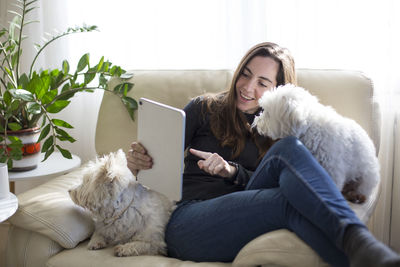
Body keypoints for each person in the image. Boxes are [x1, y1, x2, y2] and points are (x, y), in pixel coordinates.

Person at [126, 42, 400, 267]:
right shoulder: (203, 108)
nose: (247, 87)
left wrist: (231, 171)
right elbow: (155, 166)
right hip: (189, 221)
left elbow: (297, 184)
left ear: (277, 90)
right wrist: (137, 164)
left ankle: (364, 253)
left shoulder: (280, 124)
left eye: (262, 82)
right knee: (288, 202)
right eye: (245, 74)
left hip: (253, 207)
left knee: (290, 151)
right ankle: (364, 246)